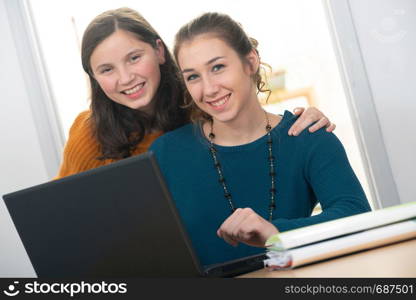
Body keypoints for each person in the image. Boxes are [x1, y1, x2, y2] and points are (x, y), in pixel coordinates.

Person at [149, 12, 371, 267]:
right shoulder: (166, 153)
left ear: (251, 62)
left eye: (218, 67)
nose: (208, 88)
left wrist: (276, 233)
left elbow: (356, 215)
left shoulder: (307, 136)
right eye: (193, 76)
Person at [55, 7, 335, 179]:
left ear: (159, 51)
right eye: (106, 70)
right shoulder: (89, 133)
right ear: (93, 78)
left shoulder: (206, 105)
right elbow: (62, 215)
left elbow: (259, 138)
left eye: (134, 58)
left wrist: (304, 124)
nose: (126, 78)